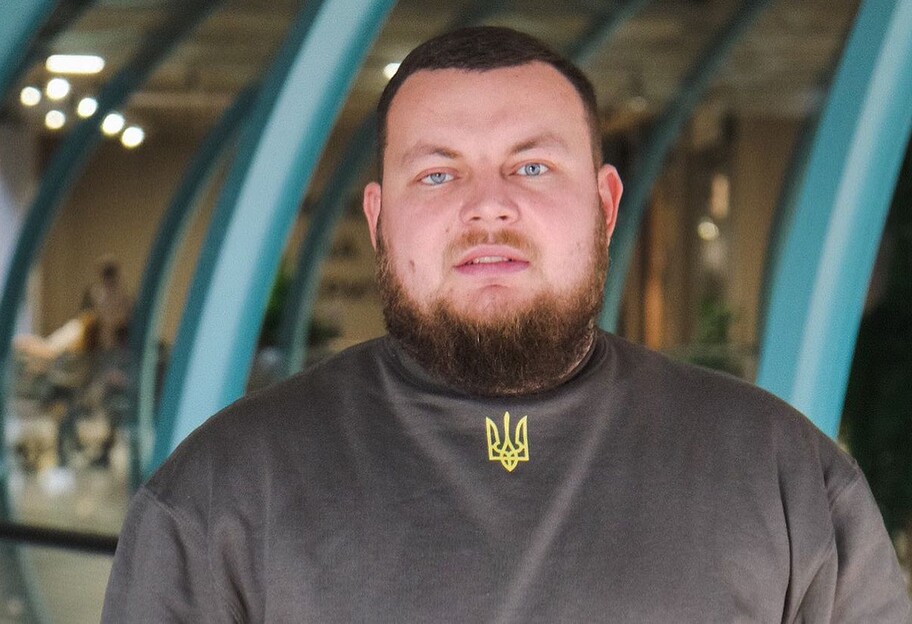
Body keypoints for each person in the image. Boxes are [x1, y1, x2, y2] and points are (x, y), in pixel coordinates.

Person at [102, 27, 911, 622]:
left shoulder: (785, 476)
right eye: (438, 173)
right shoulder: (219, 497)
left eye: (532, 166)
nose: (488, 206)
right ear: (379, 220)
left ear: (605, 205)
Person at [82, 255, 132, 351]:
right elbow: (86, 319)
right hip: (99, 346)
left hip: (119, 345)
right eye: (106, 274)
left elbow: (126, 321)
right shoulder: (95, 295)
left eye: (111, 273)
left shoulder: (125, 298)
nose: (109, 279)